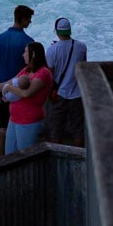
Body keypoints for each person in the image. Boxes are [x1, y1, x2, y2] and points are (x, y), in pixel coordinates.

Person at [0, 42, 52, 154]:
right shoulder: (26, 70)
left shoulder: (44, 73)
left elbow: (26, 93)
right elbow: (6, 83)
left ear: (34, 54)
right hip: (13, 119)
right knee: (9, 155)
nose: (23, 55)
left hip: (29, 122)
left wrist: (9, 88)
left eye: (25, 51)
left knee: (25, 157)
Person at [45, 18, 87, 147]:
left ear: (56, 31)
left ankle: (57, 159)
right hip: (77, 94)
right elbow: (83, 67)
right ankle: (80, 161)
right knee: (78, 130)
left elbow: (49, 74)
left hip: (59, 94)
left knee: (57, 130)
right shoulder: (81, 47)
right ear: (70, 30)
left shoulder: (52, 50)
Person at [0, 5, 34, 127]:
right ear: (23, 19)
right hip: (19, 89)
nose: (30, 21)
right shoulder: (28, 42)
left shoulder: (0, 38)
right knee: (19, 124)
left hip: (2, 88)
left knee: (3, 123)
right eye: (29, 19)